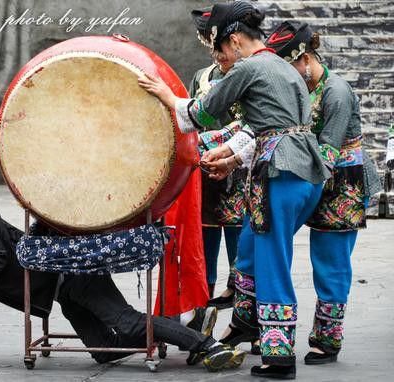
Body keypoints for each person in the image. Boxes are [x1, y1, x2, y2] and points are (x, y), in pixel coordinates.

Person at [138, 1, 330, 379]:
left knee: (272, 261)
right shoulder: (279, 64)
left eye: (219, 48)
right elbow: (264, 127)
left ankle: (278, 356)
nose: (217, 57)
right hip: (304, 174)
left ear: (237, 40)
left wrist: (163, 92)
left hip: (281, 174)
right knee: (249, 248)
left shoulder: (248, 67)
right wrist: (230, 159)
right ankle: (245, 321)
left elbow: (200, 113)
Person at [0, 205, 246, 372]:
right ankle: (186, 330)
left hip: (73, 273)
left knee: (129, 322)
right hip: (59, 289)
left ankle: (206, 345)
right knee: (103, 352)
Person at [265, 20, 382, 365]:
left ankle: (328, 340)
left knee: (331, 262)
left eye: (291, 66)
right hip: (320, 177)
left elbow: (329, 148)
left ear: (305, 58)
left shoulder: (337, 91)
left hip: (343, 181)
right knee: (321, 258)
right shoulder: (307, 89)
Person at [189, 7, 246, 306]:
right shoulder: (202, 77)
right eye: (210, 45)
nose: (216, 53)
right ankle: (202, 311)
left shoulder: (246, 75)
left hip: (238, 170)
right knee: (205, 245)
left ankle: (243, 313)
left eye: (220, 45)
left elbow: (250, 122)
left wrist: (212, 141)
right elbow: (190, 118)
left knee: (240, 249)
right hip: (206, 175)